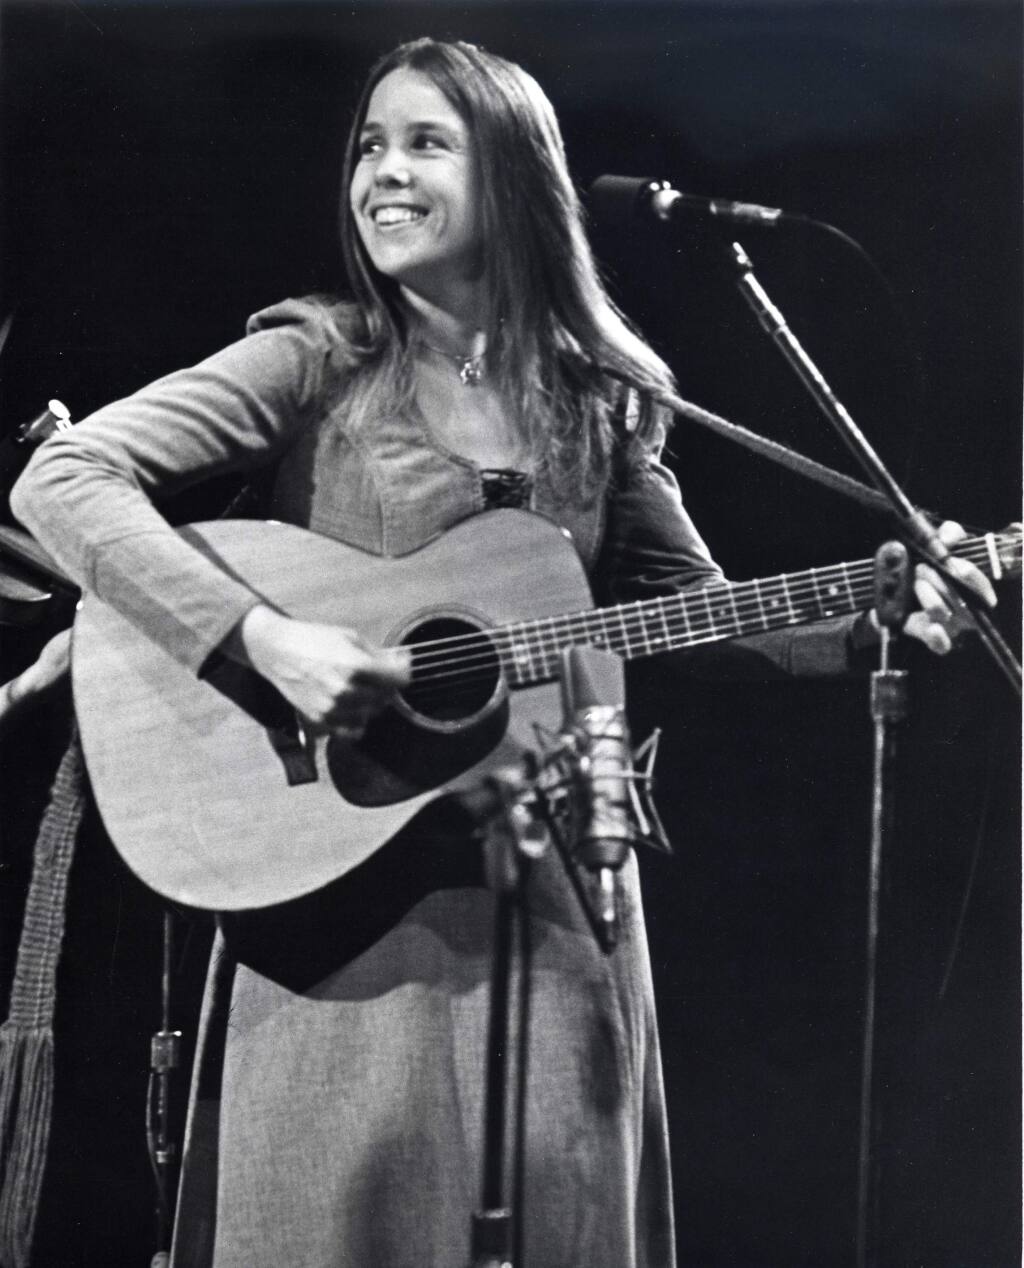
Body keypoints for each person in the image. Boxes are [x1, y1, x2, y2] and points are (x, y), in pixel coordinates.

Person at [9, 37, 993, 1268]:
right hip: (341, 898)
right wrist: (265, 639)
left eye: (427, 142)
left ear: (517, 175)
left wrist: (873, 613)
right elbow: (68, 474)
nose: (383, 173)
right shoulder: (319, 354)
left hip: (554, 906)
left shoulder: (600, 399)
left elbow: (699, 618)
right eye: (371, 144)